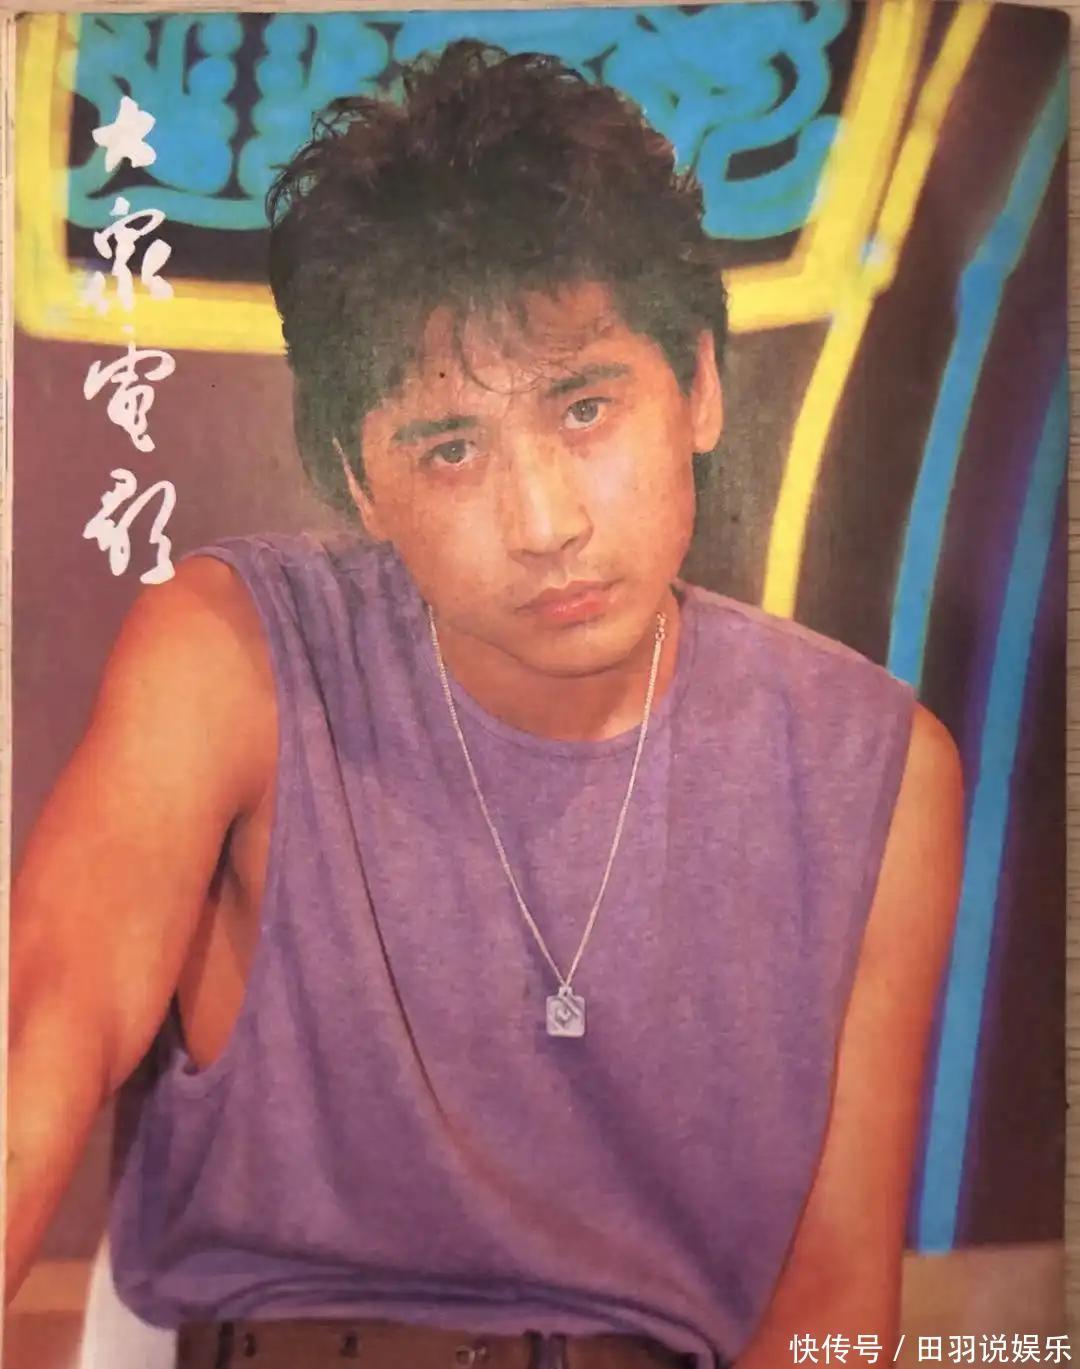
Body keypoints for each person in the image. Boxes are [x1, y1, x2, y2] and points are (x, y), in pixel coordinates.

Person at [7, 40, 964, 1369]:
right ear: (359, 479)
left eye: (585, 408)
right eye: (452, 447)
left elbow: (834, 1306)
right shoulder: (236, 651)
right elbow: (39, 1037)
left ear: (697, 386)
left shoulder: (873, 766)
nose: (544, 522)